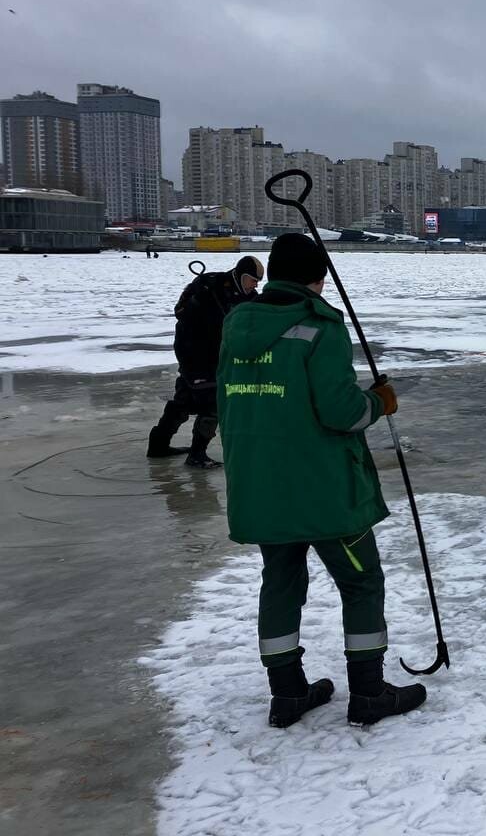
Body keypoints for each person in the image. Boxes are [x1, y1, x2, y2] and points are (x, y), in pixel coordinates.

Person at [217, 233, 425, 728]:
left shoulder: (236, 323)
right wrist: (380, 401)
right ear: (319, 278)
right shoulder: (319, 326)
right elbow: (341, 413)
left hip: (261, 486)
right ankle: (369, 693)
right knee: (361, 582)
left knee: (281, 582)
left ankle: (287, 693)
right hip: (325, 489)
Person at [147, 255, 264, 467]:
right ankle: (197, 454)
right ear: (241, 275)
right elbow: (180, 312)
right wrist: (201, 307)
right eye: (253, 280)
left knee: (184, 399)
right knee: (213, 402)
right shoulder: (209, 285)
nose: (255, 285)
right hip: (194, 351)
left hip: (218, 354)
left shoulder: (249, 298)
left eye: (257, 282)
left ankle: (158, 444)